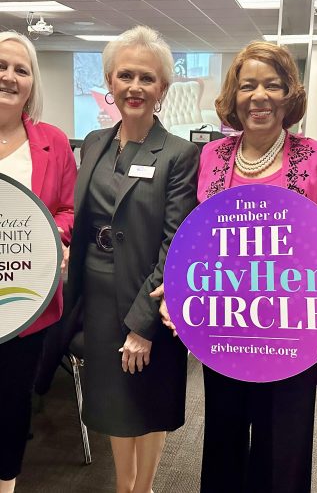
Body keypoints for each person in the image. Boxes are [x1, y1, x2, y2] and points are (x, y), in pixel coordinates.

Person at [152, 40, 317, 493]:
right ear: (234, 95)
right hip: (226, 326)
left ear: (289, 94)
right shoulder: (211, 157)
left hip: (293, 329)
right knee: (222, 439)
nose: (259, 96)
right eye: (248, 86)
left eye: (272, 85)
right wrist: (177, 289)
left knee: (283, 447)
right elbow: (198, 239)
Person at [67, 25, 198, 493]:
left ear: (163, 88)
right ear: (109, 81)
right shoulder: (94, 142)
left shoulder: (180, 154)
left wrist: (143, 325)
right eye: (125, 75)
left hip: (149, 296)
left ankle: (144, 487)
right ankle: (124, 486)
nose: (134, 87)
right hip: (98, 292)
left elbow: (176, 243)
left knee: (147, 400)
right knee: (114, 404)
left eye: (147, 78)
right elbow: (84, 217)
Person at [0, 32, 76, 493]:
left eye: (20, 69)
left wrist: (54, 236)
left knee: (11, 403)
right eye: (1, 66)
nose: (9, 76)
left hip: (23, 301)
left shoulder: (52, 142)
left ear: (32, 83)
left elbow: (68, 209)